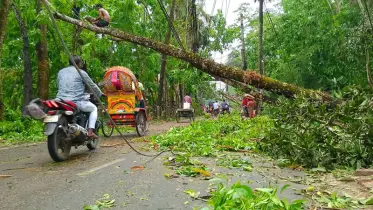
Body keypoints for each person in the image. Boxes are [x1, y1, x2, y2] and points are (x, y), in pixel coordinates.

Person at [56, 56, 103, 138]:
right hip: (76, 101)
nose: (82, 64)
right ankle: (90, 131)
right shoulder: (81, 72)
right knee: (94, 109)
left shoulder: (61, 72)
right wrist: (100, 94)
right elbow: (92, 86)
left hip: (60, 100)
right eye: (81, 63)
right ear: (78, 63)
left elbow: (58, 85)